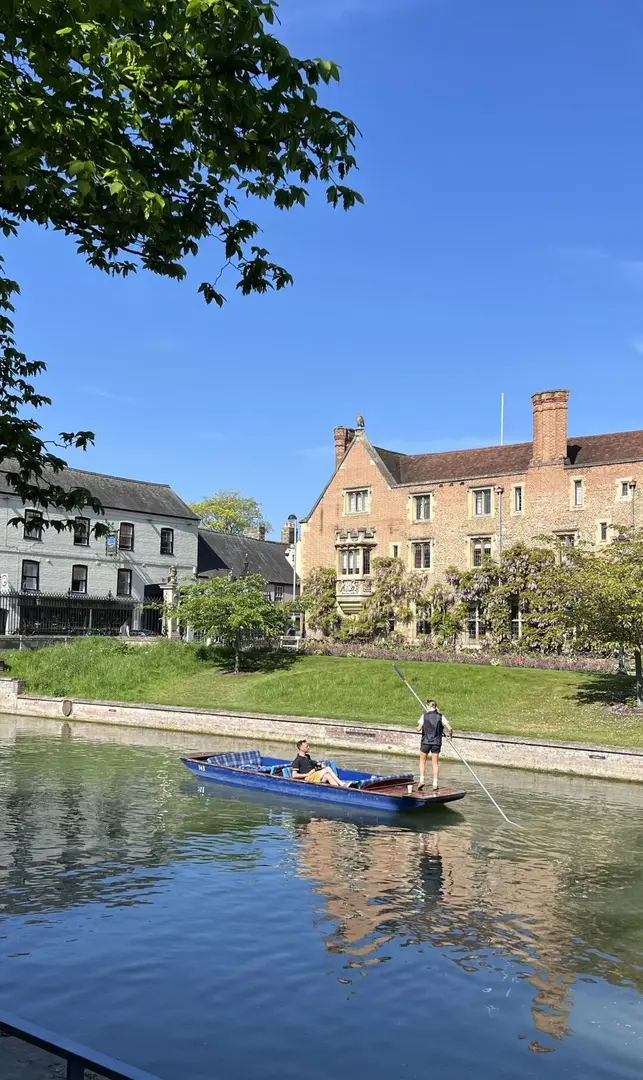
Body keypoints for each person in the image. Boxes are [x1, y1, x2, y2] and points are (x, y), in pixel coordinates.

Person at [416, 700, 453, 791]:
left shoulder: (424, 716)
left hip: (425, 741)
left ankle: (421, 780)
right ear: (435, 707)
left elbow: (418, 729)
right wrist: (450, 736)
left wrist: (416, 728)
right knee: (435, 763)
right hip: (436, 742)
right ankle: (435, 783)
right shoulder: (441, 716)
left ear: (428, 706)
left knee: (422, 762)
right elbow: (450, 728)